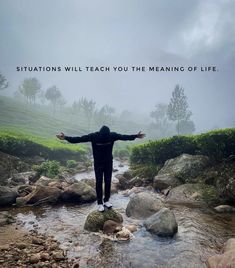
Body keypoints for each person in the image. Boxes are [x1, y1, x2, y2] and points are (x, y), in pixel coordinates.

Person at [56, 126, 145, 212]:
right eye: (103, 137)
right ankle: (99, 203)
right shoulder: (94, 136)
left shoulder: (112, 135)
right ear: (100, 134)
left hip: (108, 163)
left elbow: (124, 137)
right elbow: (79, 139)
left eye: (106, 137)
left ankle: (106, 201)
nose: (105, 138)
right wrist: (66, 137)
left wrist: (136, 136)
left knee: (108, 180)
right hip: (98, 163)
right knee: (99, 182)